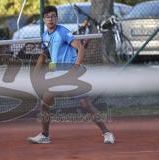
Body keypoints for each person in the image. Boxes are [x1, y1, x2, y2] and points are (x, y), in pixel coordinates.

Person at [27, 6, 115, 144]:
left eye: (53, 16)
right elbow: (43, 55)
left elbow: (80, 48)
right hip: (57, 76)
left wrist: (76, 67)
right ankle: (45, 135)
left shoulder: (63, 32)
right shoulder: (44, 36)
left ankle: (107, 133)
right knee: (44, 104)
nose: (50, 19)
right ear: (43, 19)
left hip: (71, 74)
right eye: (48, 17)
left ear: (57, 18)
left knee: (84, 104)